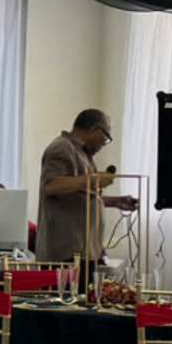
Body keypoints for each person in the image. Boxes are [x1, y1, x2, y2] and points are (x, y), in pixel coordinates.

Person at [38, 109, 112, 260]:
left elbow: (80, 197)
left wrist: (117, 201)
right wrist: (93, 180)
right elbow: (51, 186)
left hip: (85, 251)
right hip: (66, 253)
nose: (104, 144)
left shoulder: (83, 153)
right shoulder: (62, 148)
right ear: (95, 129)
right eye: (106, 137)